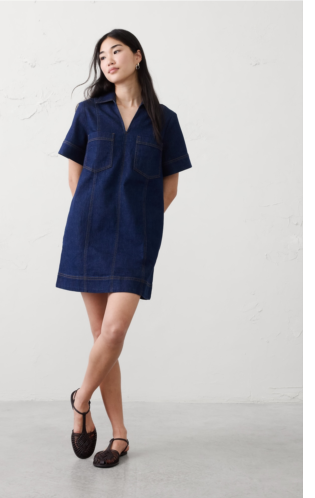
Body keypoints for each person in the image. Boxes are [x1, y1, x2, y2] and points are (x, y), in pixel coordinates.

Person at [56, 29, 193, 468]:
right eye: (102, 55)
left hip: (136, 238)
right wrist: (91, 217)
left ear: (137, 56)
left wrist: (142, 225)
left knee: (113, 333)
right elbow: (75, 176)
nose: (108, 60)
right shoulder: (88, 112)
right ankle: (119, 436)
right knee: (104, 338)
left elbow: (170, 186)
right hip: (88, 234)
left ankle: (80, 401)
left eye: (116, 51)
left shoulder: (164, 120)